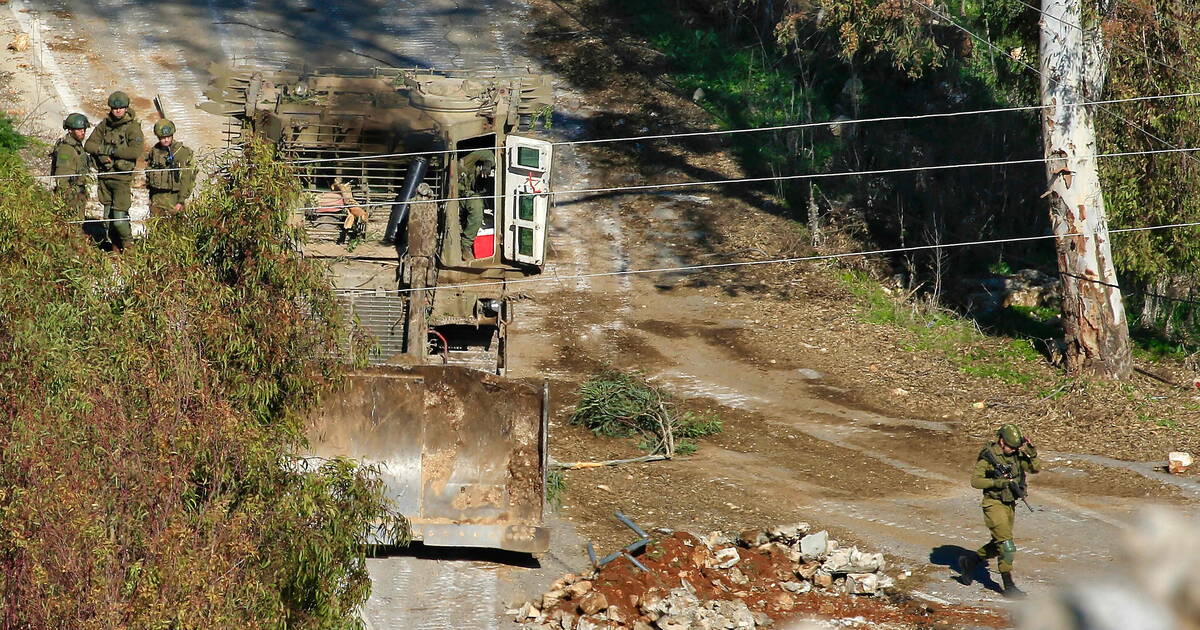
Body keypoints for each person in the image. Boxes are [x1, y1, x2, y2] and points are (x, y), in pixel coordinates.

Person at [958, 423, 1041, 598]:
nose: (1012, 450)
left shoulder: (1017, 455)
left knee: (998, 544)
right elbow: (976, 481)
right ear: (1002, 441)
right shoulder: (989, 458)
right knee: (1007, 546)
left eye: (1015, 447)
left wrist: (1031, 450)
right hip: (993, 504)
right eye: (1010, 446)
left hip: (1009, 504)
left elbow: (1035, 468)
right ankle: (1008, 585)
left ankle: (970, 562)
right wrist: (998, 483)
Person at [84, 91, 144, 251]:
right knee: (107, 219)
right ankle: (115, 248)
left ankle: (129, 246)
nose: (117, 111)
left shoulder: (132, 127)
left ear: (126, 108)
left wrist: (111, 152)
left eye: (121, 108)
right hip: (104, 177)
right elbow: (89, 145)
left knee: (119, 218)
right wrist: (104, 149)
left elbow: (135, 151)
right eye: (114, 108)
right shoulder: (105, 125)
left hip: (121, 178)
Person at [144, 119, 194, 216]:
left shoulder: (181, 152)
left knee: (175, 227)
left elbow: (186, 178)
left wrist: (181, 201)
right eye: (162, 137)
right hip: (157, 199)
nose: (166, 140)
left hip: (174, 199)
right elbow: (149, 174)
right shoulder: (154, 151)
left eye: (168, 137)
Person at [457, 148, 495, 260]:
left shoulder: (468, 157)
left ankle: (466, 244)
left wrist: (487, 165)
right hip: (447, 197)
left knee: (477, 206)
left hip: (466, 196)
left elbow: (489, 155)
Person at [50, 113, 91, 216]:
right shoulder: (66, 150)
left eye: (84, 129)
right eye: (79, 130)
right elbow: (62, 177)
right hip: (70, 194)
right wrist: (67, 197)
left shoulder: (77, 145)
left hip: (78, 192)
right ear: (70, 130)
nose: (82, 132)